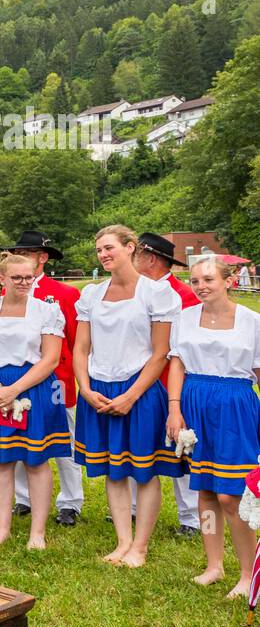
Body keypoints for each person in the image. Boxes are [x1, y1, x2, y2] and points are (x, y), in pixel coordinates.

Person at [73, 225, 182, 568]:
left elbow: (161, 352)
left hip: (140, 389)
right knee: (113, 470)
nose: (103, 255)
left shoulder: (157, 294)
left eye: (109, 248)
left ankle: (140, 547)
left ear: (130, 247)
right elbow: (80, 347)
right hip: (99, 389)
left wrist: (132, 396)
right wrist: (85, 389)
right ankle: (122, 542)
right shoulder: (91, 294)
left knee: (145, 471)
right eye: (99, 251)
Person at [165, 256, 260, 597]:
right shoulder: (185, 318)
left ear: (229, 281)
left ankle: (249, 574)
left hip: (235, 405)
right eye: (195, 281)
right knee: (204, 489)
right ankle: (214, 564)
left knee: (231, 494)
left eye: (208, 279)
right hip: (194, 402)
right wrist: (174, 409)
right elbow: (177, 364)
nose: (201, 286)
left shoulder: (252, 321)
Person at [0, 252, 71, 550]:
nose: (25, 282)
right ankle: (3, 528)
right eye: (17, 277)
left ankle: (37, 531)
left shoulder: (46, 311)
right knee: (0, 460)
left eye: (29, 276)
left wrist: (16, 390)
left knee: (36, 460)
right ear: (2, 279)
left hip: (34, 387)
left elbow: (50, 359)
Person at [7, 231, 84, 526]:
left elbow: (77, 342)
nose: (23, 259)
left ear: (42, 258)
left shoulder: (64, 294)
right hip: (17, 376)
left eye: (27, 253)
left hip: (56, 379)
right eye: (19, 253)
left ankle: (70, 501)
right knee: (17, 434)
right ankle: (24, 497)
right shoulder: (9, 294)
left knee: (64, 441)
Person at [131, 232, 202, 537]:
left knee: (180, 445)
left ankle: (191, 518)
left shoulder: (184, 295)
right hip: (137, 378)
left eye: (135, 256)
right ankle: (134, 507)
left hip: (172, 380)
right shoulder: (131, 290)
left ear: (150, 259)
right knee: (137, 442)